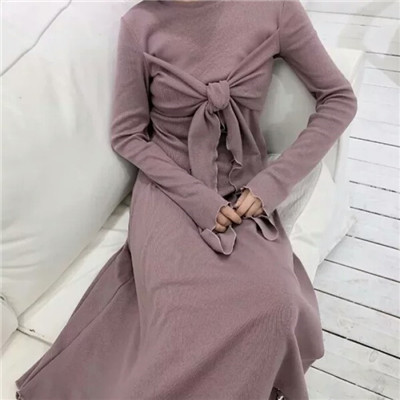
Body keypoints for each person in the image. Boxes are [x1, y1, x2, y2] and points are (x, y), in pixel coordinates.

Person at [15, 1, 358, 399]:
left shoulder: (272, 7)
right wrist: (199, 200)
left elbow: (339, 99)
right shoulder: (140, 25)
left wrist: (273, 182)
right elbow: (128, 134)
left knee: (275, 304)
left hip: (242, 195)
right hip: (170, 192)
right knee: (182, 321)